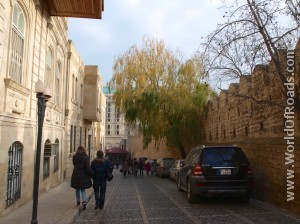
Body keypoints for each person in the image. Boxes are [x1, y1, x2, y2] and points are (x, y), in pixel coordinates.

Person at [71, 146, 94, 210]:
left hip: (76, 174)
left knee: (77, 189)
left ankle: (78, 201)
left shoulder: (75, 157)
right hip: (84, 175)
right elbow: (87, 167)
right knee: (83, 189)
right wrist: (92, 174)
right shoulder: (86, 157)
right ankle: (84, 202)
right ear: (84, 150)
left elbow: (74, 164)